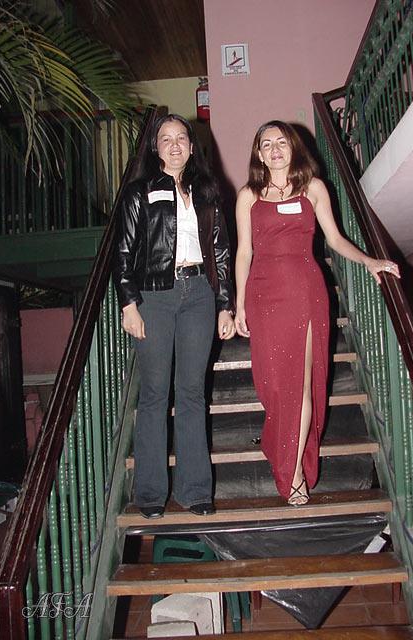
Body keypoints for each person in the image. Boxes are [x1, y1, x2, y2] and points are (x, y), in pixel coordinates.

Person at [235, 120, 399, 505]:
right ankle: (283, 445)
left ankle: (293, 471)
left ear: (293, 147)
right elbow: (244, 252)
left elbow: (336, 239)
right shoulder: (248, 195)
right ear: (259, 154)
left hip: (306, 292)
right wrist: (239, 303)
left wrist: (369, 261)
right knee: (274, 386)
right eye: (266, 144)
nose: (275, 149)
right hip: (263, 295)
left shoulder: (313, 188)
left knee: (301, 383)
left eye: (281, 142)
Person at [114, 113, 235, 519]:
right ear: (156, 147)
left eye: (181, 137)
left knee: (191, 393)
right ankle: (150, 494)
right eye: (166, 139)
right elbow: (123, 251)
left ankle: (195, 490)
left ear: (191, 145)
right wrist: (129, 304)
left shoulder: (208, 191)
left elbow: (221, 251)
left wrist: (225, 304)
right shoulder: (139, 192)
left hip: (199, 293)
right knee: (154, 394)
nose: (175, 145)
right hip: (154, 296)